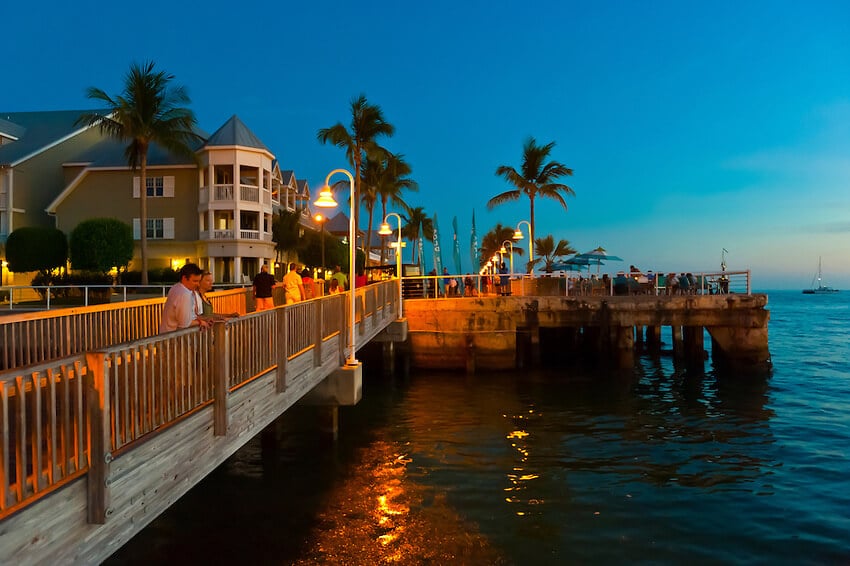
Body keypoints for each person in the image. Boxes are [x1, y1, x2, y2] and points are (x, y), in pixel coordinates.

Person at [159, 263, 211, 333]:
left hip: (166, 334)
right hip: (173, 337)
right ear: (184, 278)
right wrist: (200, 322)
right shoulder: (184, 294)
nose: (197, 284)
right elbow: (185, 323)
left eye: (198, 281)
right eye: (195, 281)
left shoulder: (176, 287)